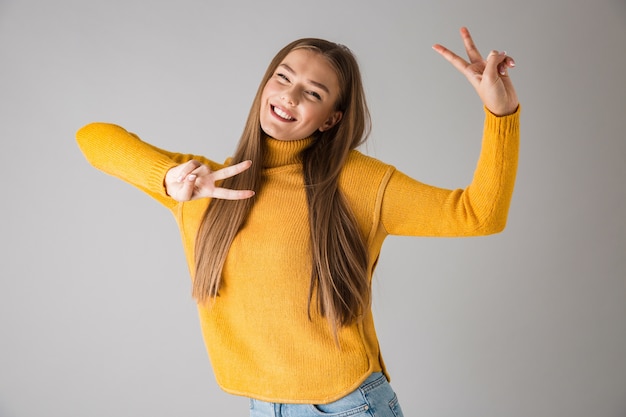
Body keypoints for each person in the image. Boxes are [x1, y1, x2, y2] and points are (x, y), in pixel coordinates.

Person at [76, 27, 519, 417]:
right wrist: (168, 177)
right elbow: (92, 137)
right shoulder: (209, 186)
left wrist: (500, 115)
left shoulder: (357, 181)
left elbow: (479, 215)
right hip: (263, 405)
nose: (289, 96)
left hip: (347, 406)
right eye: (283, 77)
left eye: (313, 92)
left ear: (332, 119)